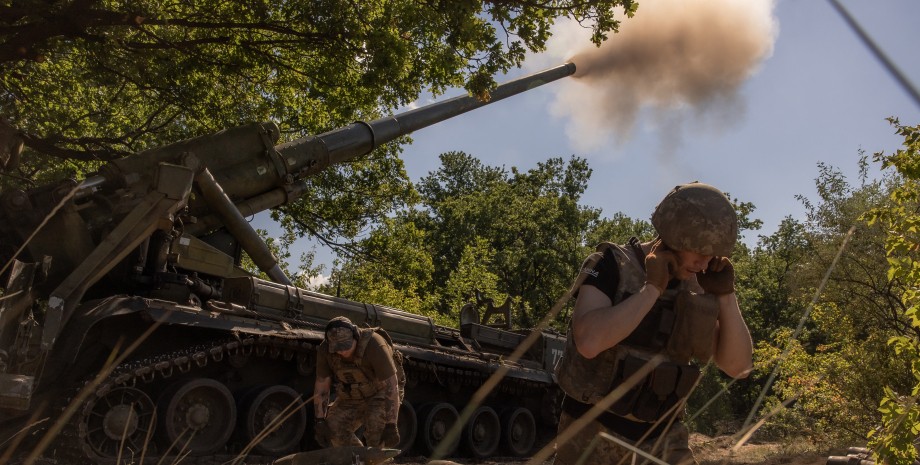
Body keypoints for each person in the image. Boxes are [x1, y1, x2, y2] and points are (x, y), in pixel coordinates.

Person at [553, 182, 754, 465]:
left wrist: (726, 296)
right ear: (674, 234)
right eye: (698, 250)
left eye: (712, 254)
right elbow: (588, 342)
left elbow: (739, 367)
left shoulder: (698, 285)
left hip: (665, 440)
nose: (704, 262)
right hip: (593, 437)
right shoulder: (611, 264)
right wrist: (651, 290)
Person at [313, 316, 401, 449]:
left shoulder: (374, 344)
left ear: (355, 336)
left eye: (346, 346)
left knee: (376, 429)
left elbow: (391, 386)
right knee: (333, 428)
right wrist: (319, 420)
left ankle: (378, 461)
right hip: (352, 394)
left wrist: (391, 424)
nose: (342, 351)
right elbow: (322, 386)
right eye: (338, 348)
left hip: (380, 392)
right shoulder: (325, 350)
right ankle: (357, 460)